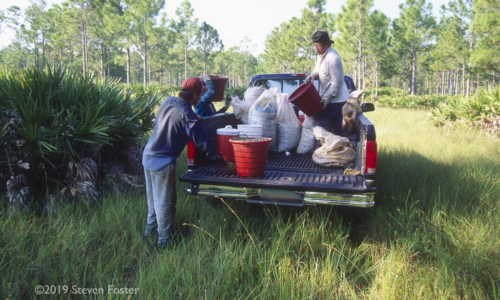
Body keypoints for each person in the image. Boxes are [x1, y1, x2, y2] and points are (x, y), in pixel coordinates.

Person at [142, 77, 236, 248]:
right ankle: (164, 244)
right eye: (200, 94)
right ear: (194, 95)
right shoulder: (188, 116)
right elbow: (205, 146)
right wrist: (225, 164)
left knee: (152, 203)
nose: (201, 98)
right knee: (165, 204)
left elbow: (172, 117)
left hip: (148, 155)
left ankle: (148, 235)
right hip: (162, 163)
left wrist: (195, 117)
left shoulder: (168, 100)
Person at [304, 31, 350, 136]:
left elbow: (337, 81)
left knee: (320, 123)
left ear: (327, 44)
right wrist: (312, 76)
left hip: (335, 97)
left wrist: (328, 98)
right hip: (332, 97)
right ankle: (336, 148)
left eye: (319, 46)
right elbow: (317, 71)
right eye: (315, 45)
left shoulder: (332, 58)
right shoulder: (321, 56)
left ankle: (320, 149)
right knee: (336, 123)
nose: (316, 49)